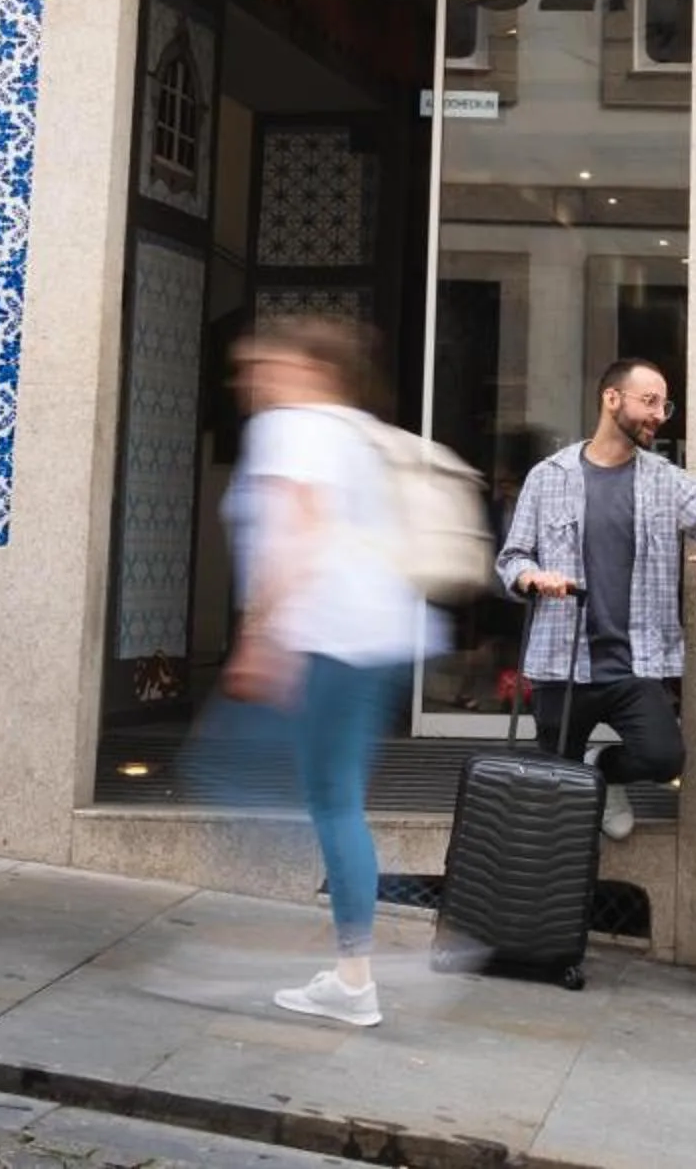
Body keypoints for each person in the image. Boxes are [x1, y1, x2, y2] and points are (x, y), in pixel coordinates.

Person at [215, 316, 430, 1031]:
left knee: (323, 799)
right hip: (377, 634)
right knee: (336, 799)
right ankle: (351, 971)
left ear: (308, 367)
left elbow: (297, 528)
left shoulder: (293, 427)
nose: (252, 381)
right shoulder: (354, 429)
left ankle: (352, 975)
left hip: (328, 636)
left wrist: (259, 635)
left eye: (263, 365)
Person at [495, 358, 696, 840]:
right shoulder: (547, 476)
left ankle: (605, 771)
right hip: (562, 662)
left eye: (665, 404)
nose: (660, 414)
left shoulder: (664, 479)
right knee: (557, 793)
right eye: (650, 401)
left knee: (663, 757)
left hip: (635, 663)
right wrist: (533, 578)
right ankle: (557, 896)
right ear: (611, 399)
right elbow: (512, 558)